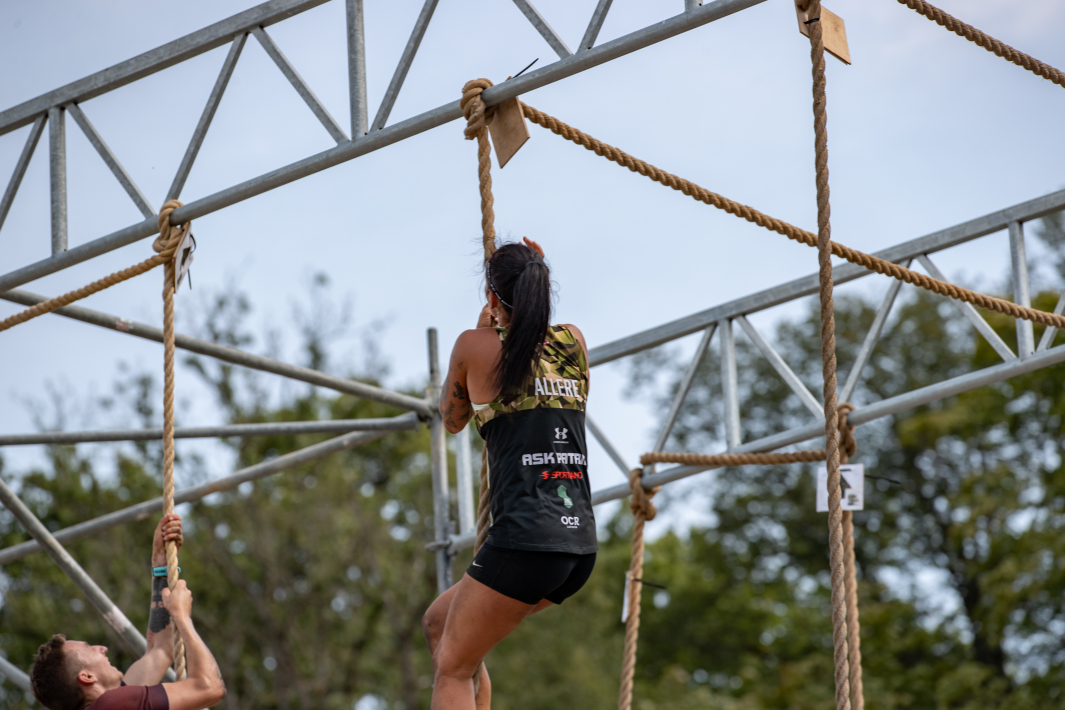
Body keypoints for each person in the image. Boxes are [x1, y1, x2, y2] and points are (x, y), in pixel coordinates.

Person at [423, 238, 596, 709]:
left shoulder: (474, 345)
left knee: (452, 668)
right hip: (577, 545)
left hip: (526, 542)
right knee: (440, 624)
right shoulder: (574, 341)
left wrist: (485, 329)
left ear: (492, 296)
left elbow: (452, 419)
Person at [29, 514, 225, 710]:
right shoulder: (112, 704)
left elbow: (161, 649)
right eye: (89, 648)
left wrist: (161, 565)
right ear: (87, 677)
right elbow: (210, 688)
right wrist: (181, 615)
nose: (102, 648)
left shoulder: (113, 704)